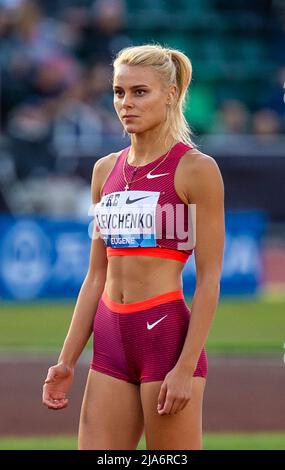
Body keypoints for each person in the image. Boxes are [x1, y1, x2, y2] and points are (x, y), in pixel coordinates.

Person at [42, 44, 225, 450]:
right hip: (109, 337)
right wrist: (67, 360)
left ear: (171, 94)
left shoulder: (195, 169)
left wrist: (186, 366)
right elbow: (95, 276)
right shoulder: (104, 170)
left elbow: (210, 278)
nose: (126, 103)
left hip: (164, 338)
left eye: (140, 92)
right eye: (118, 92)